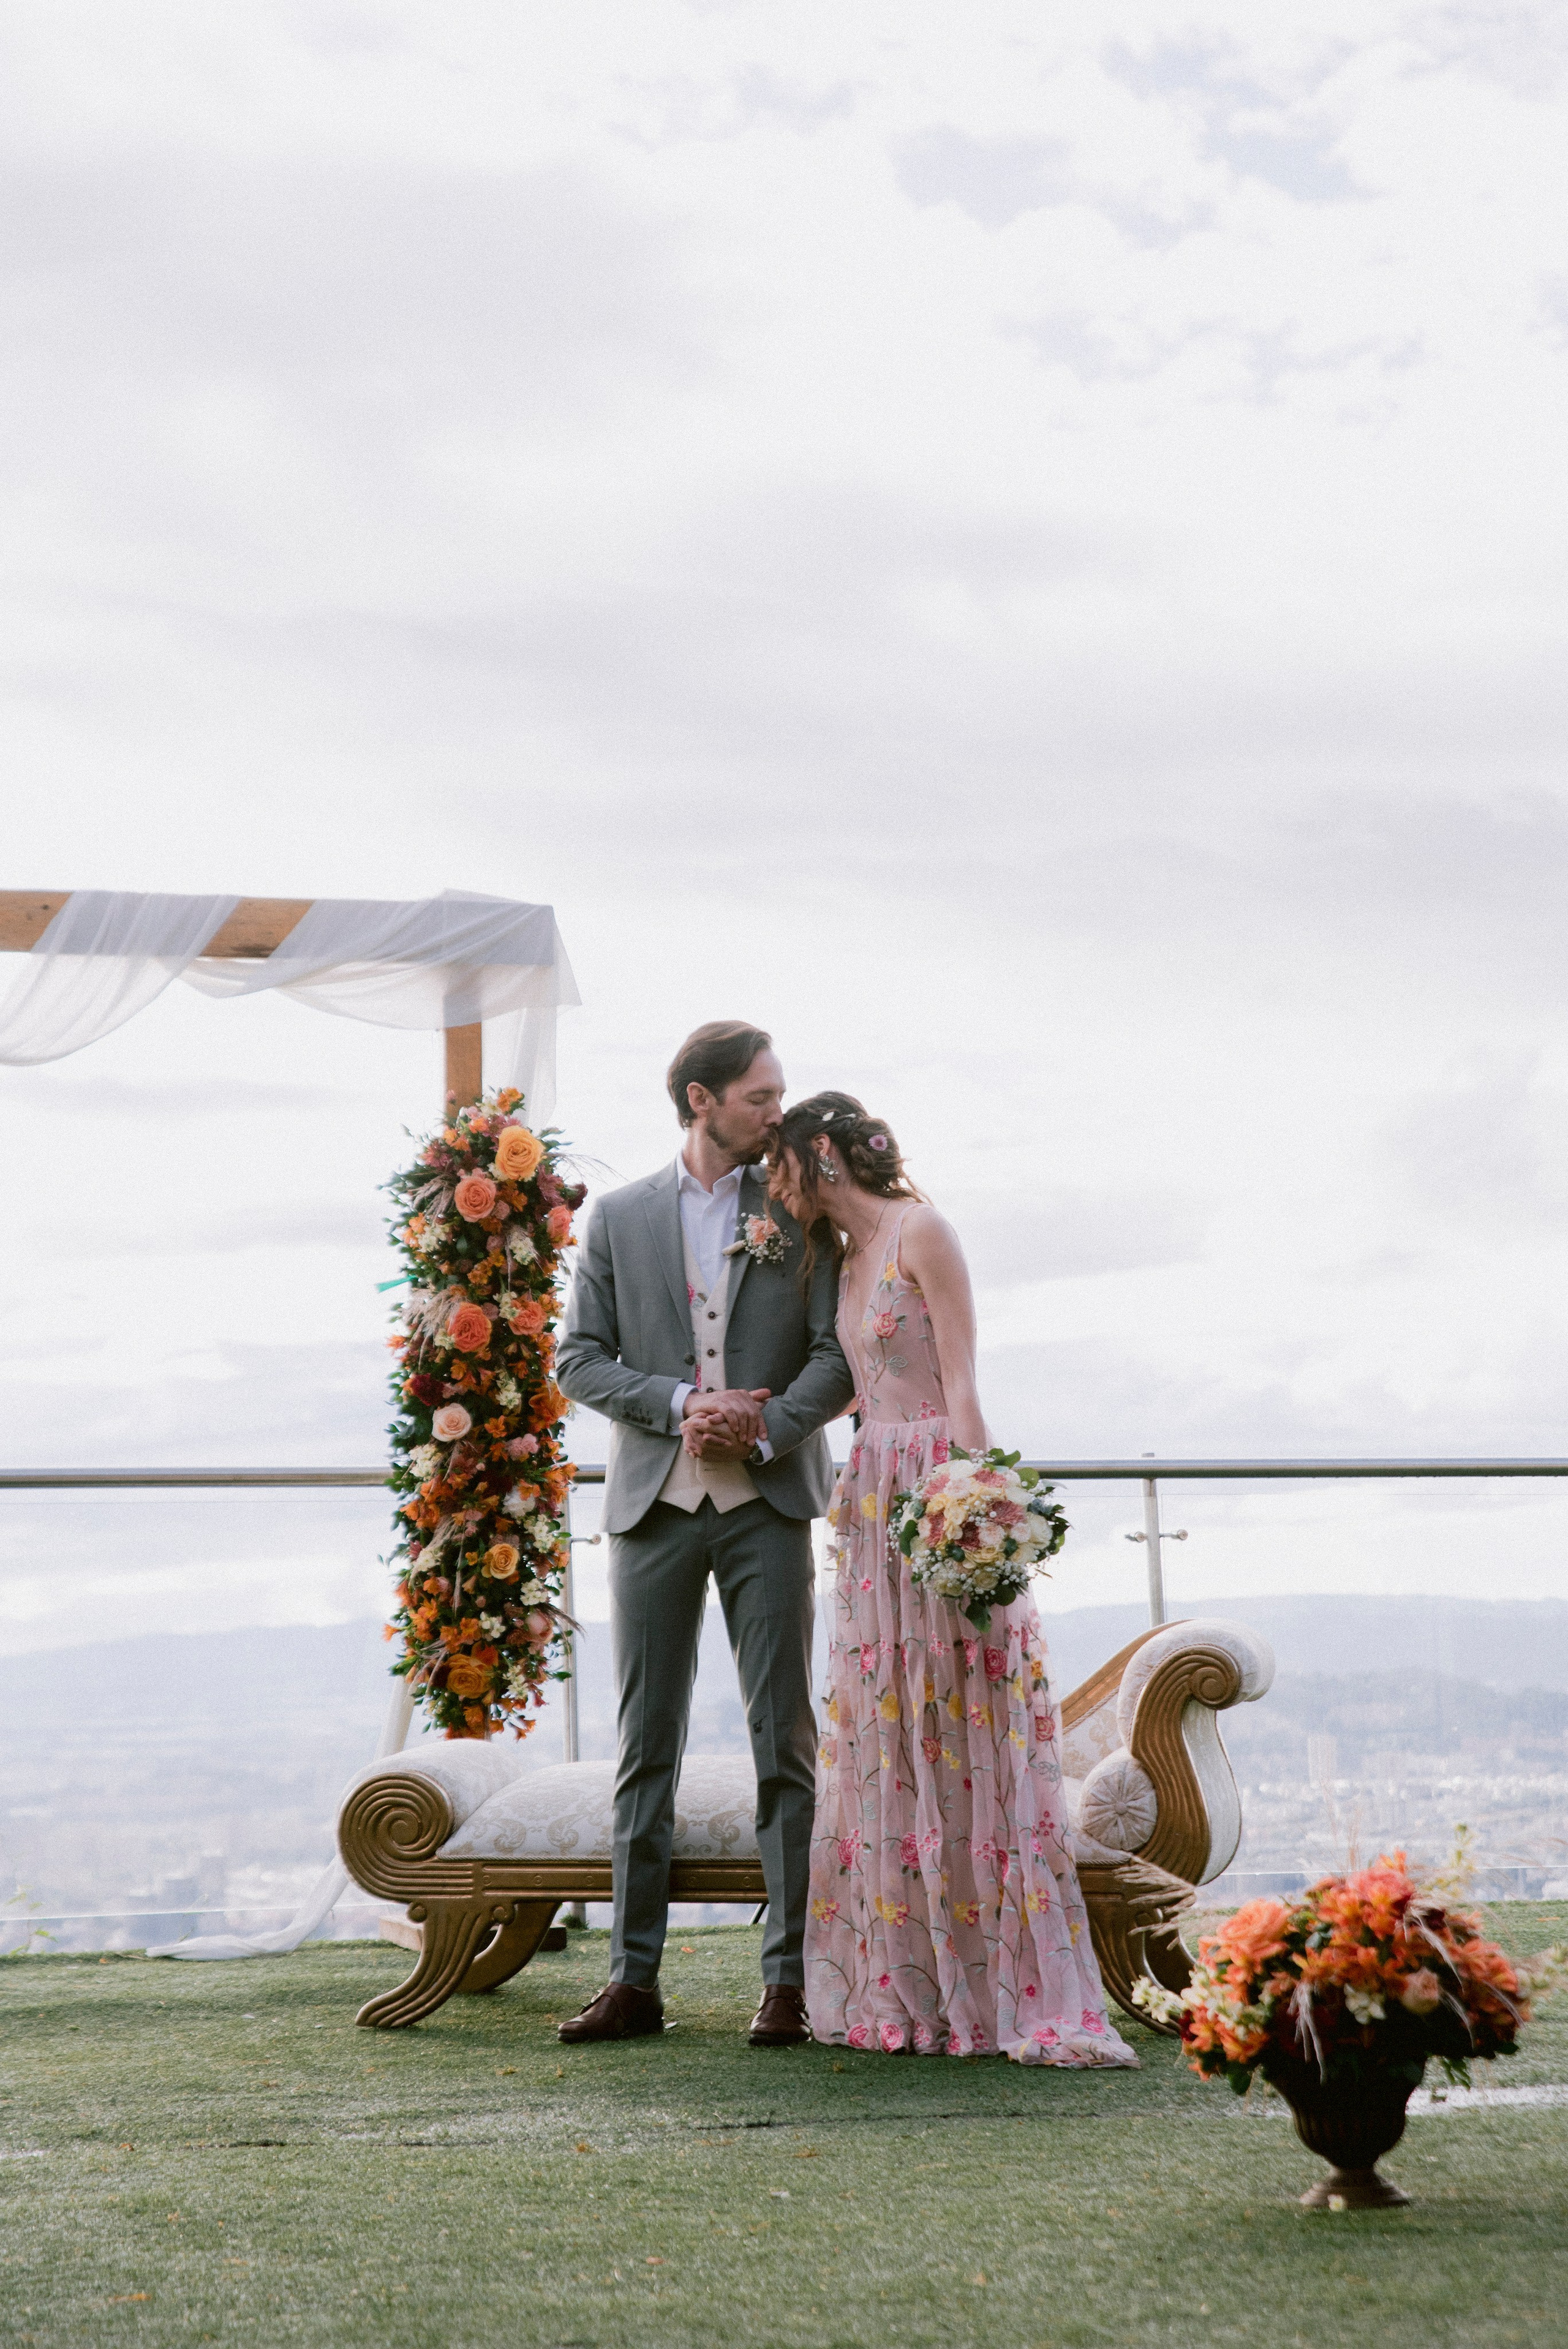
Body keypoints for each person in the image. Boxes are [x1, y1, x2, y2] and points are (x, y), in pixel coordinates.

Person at [769, 1092, 1137, 2066]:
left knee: (962, 1716)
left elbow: (964, 1379)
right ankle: (918, 1988)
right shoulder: (839, 1263)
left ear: (820, 1156)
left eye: (780, 1163)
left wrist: (976, 1512)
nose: (772, 1183)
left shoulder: (921, 1232)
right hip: (869, 1495)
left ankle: (1005, 1989)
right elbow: (850, 1381)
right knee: (894, 1729)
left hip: (932, 1483)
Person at [556, 1022, 856, 2048]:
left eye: (777, 1094)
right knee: (647, 1749)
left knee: (786, 1741)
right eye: (761, 1097)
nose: (779, 1112)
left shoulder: (803, 1210)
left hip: (766, 1506)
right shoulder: (620, 1218)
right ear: (701, 1100)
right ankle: (632, 1982)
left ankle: (791, 1984)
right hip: (653, 1509)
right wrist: (681, 1400)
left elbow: (838, 1353)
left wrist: (764, 1425)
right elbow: (579, 1361)